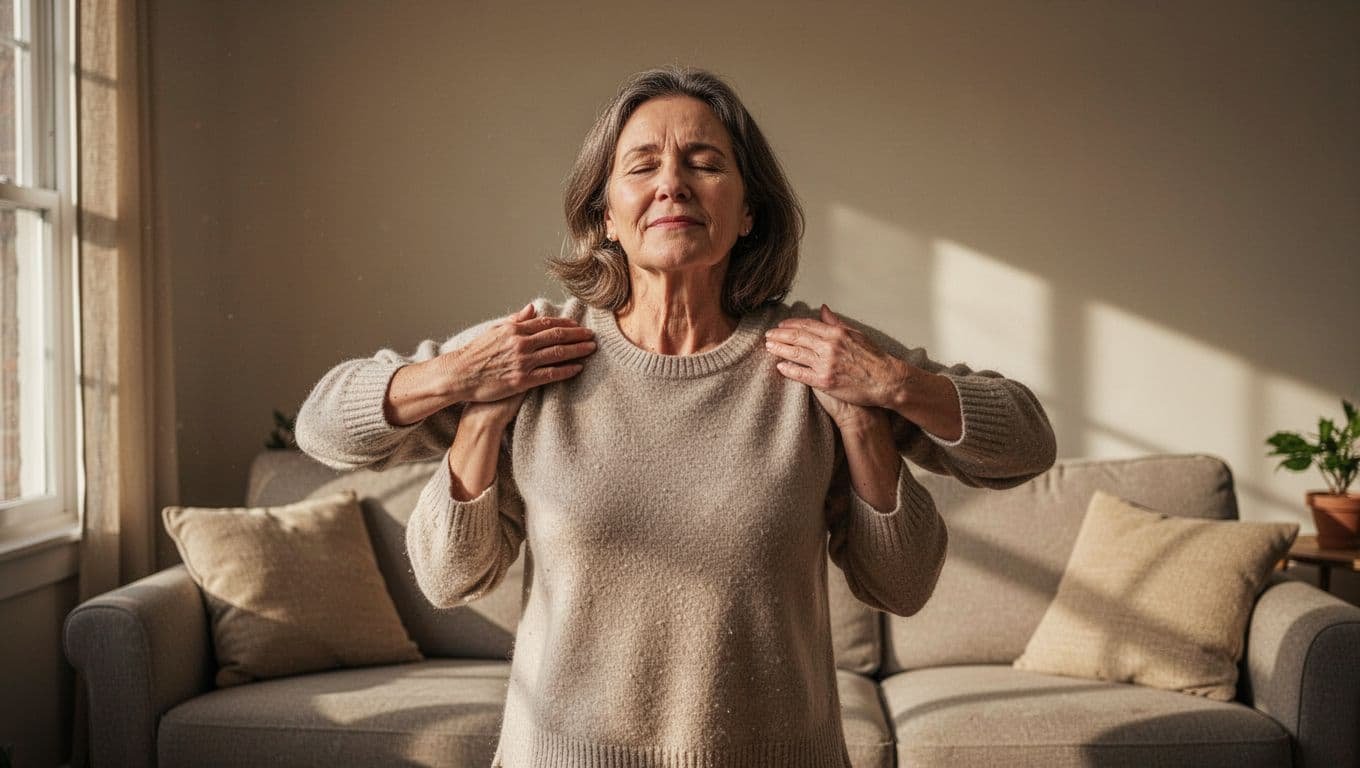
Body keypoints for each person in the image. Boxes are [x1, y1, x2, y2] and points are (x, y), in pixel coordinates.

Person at [295, 66, 1056, 768]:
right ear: (606, 214)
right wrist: (459, 379)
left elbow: (1020, 448)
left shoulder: (813, 356)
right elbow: (325, 430)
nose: (672, 185)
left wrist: (890, 392)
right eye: (642, 166)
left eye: (705, 162)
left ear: (749, 212)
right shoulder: (537, 351)